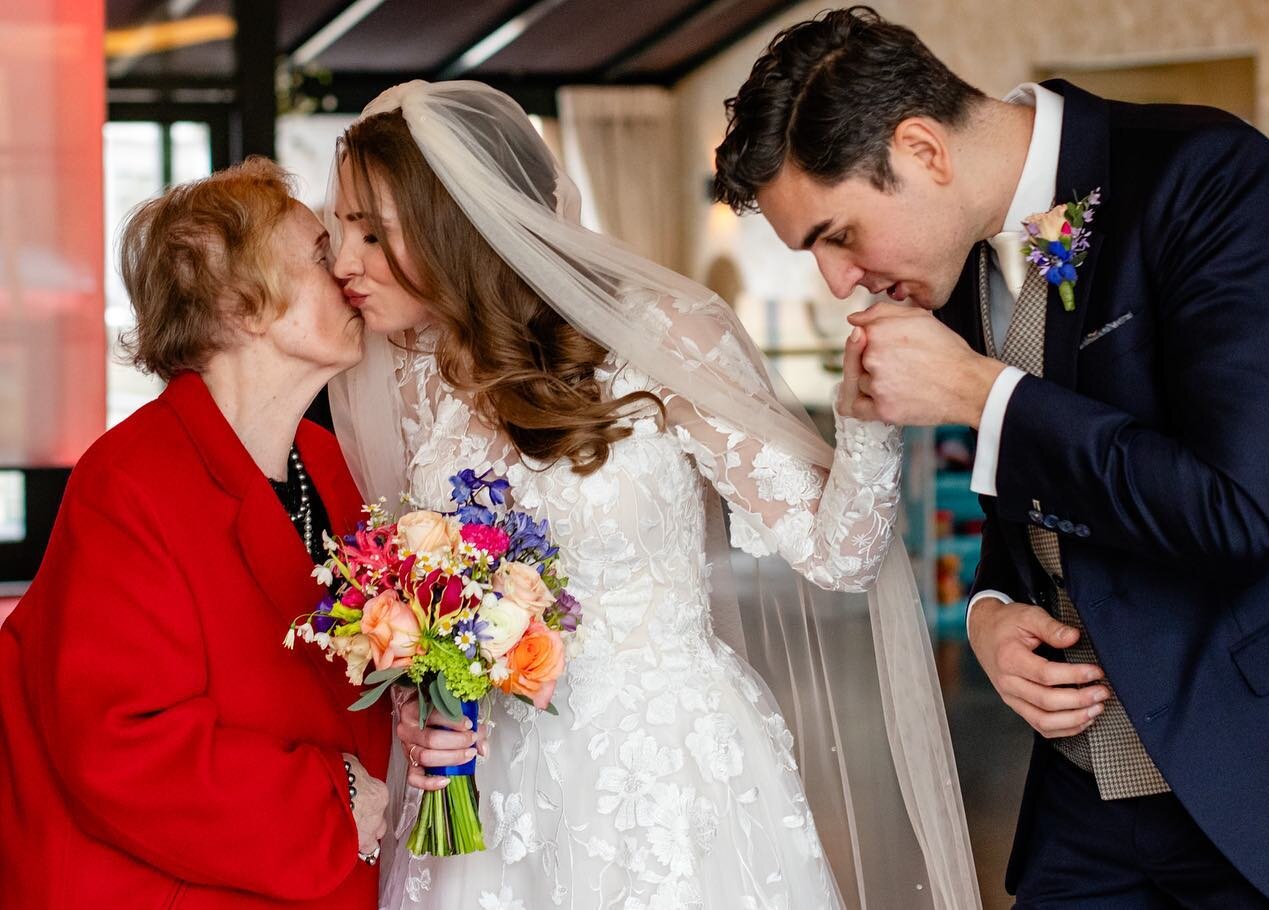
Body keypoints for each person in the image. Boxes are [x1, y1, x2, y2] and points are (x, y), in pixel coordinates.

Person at [712, 7, 1269, 909]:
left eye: (837, 234)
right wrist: (990, 607)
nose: (837, 281)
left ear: (921, 150)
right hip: (1082, 802)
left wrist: (979, 395)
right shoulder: (949, 273)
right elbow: (1026, 493)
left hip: (1264, 773)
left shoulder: (1208, 176)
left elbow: (1236, 510)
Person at [326, 81, 979, 909]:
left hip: (662, 774)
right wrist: (428, 706)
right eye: (341, 230)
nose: (344, 261)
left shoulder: (660, 333)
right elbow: (430, 596)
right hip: (493, 789)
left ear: (457, 218)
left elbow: (840, 554)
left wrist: (863, 417)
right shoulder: (419, 378)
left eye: (371, 232)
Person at [0, 158, 403, 908]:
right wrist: (335, 796)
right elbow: (122, 745)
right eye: (319, 254)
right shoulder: (128, 481)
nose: (349, 269)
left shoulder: (331, 461)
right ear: (243, 304)